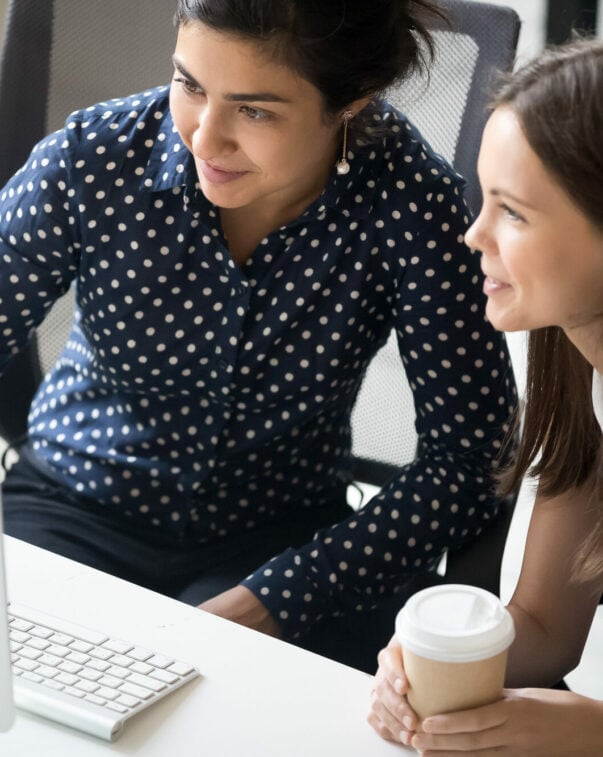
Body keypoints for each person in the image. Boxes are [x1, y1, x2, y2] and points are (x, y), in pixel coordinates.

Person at [0, 0, 516, 671]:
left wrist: (281, 594)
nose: (204, 138)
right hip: (71, 505)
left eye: (254, 110)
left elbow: (470, 458)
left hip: (277, 542)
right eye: (190, 85)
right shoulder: (95, 158)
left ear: (352, 102)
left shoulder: (411, 205)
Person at [368, 36, 603, 754]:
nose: (472, 235)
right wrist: (416, 667)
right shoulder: (573, 365)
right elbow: (541, 629)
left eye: (513, 212)